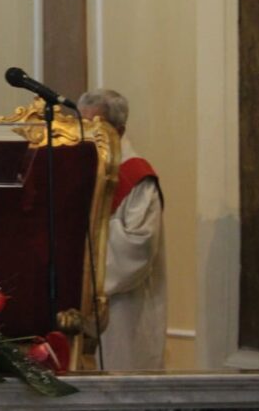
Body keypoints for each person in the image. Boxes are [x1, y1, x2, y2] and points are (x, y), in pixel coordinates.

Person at [77, 89, 166, 370]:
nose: (90, 134)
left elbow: (137, 246)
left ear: (120, 129)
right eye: (84, 125)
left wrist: (86, 240)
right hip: (81, 305)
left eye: (98, 126)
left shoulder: (138, 177)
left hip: (124, 307)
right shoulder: (84, 167)